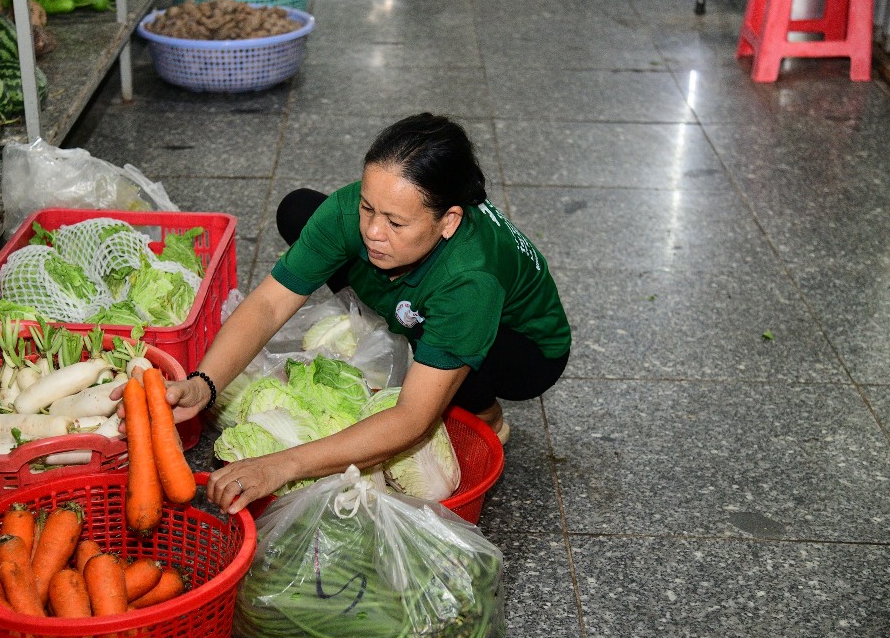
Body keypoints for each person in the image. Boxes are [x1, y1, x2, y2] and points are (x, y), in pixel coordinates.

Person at [131, 113, 570, 514]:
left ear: (449, 221)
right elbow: (267, 304)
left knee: (444, 366)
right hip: (431, 293)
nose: (374, 231)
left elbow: (413, 419)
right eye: (367, 208)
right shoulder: (356, 214)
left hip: (525, 351)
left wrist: (282, 465)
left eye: (395, 223)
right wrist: (203, 384)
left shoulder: (471, 281)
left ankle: (483, 409)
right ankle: (406, 314)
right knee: (301, 210)